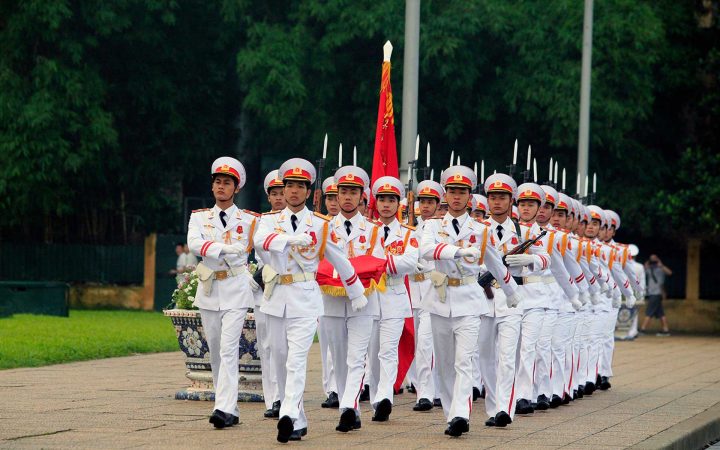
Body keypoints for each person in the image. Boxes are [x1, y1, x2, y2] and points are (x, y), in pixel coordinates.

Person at [254, 158, 368, 443]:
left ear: (310, 193)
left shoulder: (320, 224)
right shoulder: (269, 221)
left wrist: (356, 293)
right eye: (289, 185)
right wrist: (289, 241)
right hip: (275, 296)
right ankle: (299, 419)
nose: (293, 191)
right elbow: (260, 243)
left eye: (299, 186)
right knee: (279, 358)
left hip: (305, 298)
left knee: (295, 360)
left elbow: (340, 260)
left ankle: (288, 415)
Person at [421, 165, 522, 437]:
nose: (456, 197)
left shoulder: (481, 229)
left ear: (470, 195)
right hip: (440, 299)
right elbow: (426, 249)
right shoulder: (432, 225)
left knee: (465, 360)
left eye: (462, 192)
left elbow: (495, 264)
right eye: (452, 191)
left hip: (469, 298)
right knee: (444, 364)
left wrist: (512, 292)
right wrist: (457, 251)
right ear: (445, 193)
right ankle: (450, 413)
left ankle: (461, 415)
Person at [187, 156, 260, 429]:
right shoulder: (199, 217)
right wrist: (220, 249)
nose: (221, 186)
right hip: (209, 288)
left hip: (235, 287)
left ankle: (223, 407)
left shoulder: (249, 220)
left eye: (227, 183)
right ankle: (228, 405)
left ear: (236, 188)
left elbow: (263, 248)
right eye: (217, 182)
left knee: (229, 348)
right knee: (215, 350)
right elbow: (194, 243)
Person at [318, 165, 383, 434]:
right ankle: (351, 407)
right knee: (339, 356)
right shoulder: (322, 227)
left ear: (362, 196)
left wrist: (348, 274)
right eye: (342, 191)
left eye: (352, 192)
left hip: (364, 299)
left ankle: (347, 406)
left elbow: (375, 262)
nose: (346, 197)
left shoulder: (373, 229)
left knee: (357, 356)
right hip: (331, 300)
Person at [366, 176, 415, 422]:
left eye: (391, 200)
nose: (386, 204)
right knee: (372, 352)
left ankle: (385, 396)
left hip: (394, 295)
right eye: (382, 199)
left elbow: (411, 262)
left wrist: (378, 264)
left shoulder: (407, 233)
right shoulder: (366, 230)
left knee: (388, 351)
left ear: (399, 204)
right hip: (370, 296)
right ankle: (377, 396)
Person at [406, 180, 444, 412]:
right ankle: (425, 387)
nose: (426, 206)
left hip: (433, 288)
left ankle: (427, 393)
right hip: (412, 290)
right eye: (423, 202)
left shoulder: (442, 228)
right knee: (417, 342)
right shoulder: (409, 226)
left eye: (431, 202)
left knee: (428, 344)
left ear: (439, 204)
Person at [319, 176, 340, 409]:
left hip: (345, 289)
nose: (333, 202)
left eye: (337, 197)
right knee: (326, 342)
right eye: (330, 198)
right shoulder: (318, 223)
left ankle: (340, 387)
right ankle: (330, 388)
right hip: (322, 289)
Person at [640, 254, 672, 336]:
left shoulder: (660, 269)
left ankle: (642, 329)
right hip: (652, 293)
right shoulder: (649, 269)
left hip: (656, 293)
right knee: (661, 313)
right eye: (652, 260)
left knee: (649, 312)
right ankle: (666, 330)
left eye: (655, 259)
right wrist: (647, 263)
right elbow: (642, 271)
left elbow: (669, 273)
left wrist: (661, 265)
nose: (653, 261)